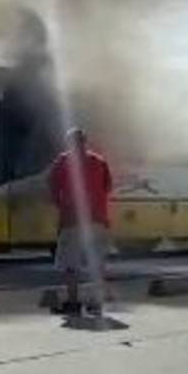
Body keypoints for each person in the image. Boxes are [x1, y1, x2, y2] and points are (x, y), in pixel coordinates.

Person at [48, 127, 113, 316]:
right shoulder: (99, 161)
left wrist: (62, 206)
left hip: (72, 220)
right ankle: (96, 302)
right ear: (85, 141)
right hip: (98, 220)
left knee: (71, 264)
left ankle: (73, 302)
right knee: (97, 263)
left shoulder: (63, 161)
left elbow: (52, 188)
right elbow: (108, 187)